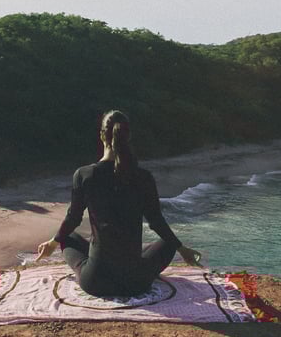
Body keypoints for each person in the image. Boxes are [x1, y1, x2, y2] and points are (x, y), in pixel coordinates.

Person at [36, 110, 203, 297]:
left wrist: (53, 243)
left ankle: (93, 263)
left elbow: (73, 218)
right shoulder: (143, 177)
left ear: (102, 135)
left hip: (96, 282)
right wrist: (182, 249)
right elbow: (156, 221)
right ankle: (133, 262)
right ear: (128, 136)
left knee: (68, 237)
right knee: (168, 244)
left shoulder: (84, 175)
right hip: (136, 282)